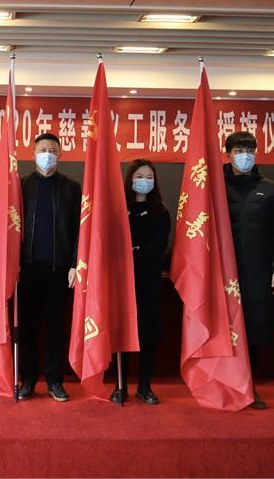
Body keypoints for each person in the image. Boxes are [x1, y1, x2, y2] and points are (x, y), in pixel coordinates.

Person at [223, 130, 274, 409]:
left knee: (254, 328)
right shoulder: (215, 185)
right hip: (225, 270)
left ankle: (250, 387)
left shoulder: (269, 188)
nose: (245, 156)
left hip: (258, 270)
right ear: (228, 155)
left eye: (249, 150)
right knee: (226, 327)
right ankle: (225, 384)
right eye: (239, 151)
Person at [17, 132, 81, 402]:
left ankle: (55, 381)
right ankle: (28, 380)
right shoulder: (20, 186)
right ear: (33, 153)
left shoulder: (72, 188)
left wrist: (75, 263)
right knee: (27, 327)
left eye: (53, 150)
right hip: (27, 268)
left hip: (59, 269)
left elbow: (80, 229)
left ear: (60, 154)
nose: (47, 154)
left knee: (56, 327)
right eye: (42, 149)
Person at [111, 159, 170, 405]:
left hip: (148, 281)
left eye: (149, 177)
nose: (144, 181)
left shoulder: (160, 213)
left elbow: (157, 247)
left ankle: (145, 386)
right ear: (130, 179)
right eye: (139, 176)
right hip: (122, 281)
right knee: (122, 331)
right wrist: (128, 254)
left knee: (148, 333)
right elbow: (113, 244)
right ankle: (120, 385)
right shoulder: (119, 209)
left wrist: (133, 254)